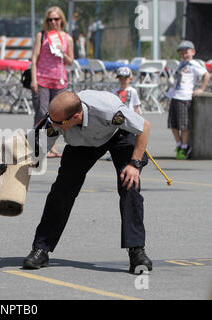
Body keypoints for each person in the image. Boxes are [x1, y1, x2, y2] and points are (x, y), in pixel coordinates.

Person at [23, 90, 153, 274]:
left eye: (58, 123)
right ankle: (41, 249)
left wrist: (134, 164)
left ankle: (137, 251)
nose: (53, 124)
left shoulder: (108, 109)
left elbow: (144, 127)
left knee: (129, 186)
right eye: (51, 119)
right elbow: (34, 151)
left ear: (76, 116)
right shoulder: (57, 119)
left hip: (117, 135)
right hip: (81, 145)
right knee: (61, 192)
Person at [30, 6, 74, 158]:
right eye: (50, 19)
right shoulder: (41, 36)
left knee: (58, 115)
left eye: (56, 19)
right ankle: (38, 144)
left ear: (62, 20)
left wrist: (63, 51)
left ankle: (52, 146)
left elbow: (70, 61)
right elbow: (34, 58)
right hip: (42, 78)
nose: (53, 22)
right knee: (42, 112)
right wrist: (34, 79)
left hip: (59, 80)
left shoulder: (67, 38)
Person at [166, 40, 210, 160]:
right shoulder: (181, 64)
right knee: (173, 124)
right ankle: (179, 144)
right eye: (182, 53)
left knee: (183, 124)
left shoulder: (194, 64)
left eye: (186, 52)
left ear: (193, 52)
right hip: (175, 95)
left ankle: (185, 147)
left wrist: (201, 88)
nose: (184, 55)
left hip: (184, 97)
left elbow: (206, 74)